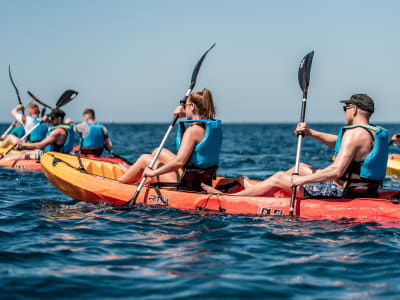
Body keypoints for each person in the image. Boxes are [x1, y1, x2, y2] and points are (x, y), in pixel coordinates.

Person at [202, 94, 388, 198]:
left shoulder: (353, 133)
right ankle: (254, 189)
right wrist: (311, 133)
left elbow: (336, 171)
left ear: (353, 109)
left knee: (279, 177)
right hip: (364, 188)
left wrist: (300, 181)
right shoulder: (370, 132)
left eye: (345, 108)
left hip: (340, 191)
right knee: (299, 167)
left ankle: (229, 198)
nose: (345, 113)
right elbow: (340, 145)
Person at [119, 88, 222, 191]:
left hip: (185, 184)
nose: (183, 109)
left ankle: (118, 184)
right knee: (158, 151)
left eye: (185, 106)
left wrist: (153, 173)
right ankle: (133, 172)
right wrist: (184, 113)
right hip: (199, 179)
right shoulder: (210, 128)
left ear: (192, 107)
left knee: (144, 159)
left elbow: (179, 162)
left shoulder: (192, 131)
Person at [1, 109, 74, 162]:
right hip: (51, 154)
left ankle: (1, 161)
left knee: (22, 155)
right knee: (23, 152)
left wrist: (23, 144)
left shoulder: (58, 131)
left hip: (52, 157)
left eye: (52, 118)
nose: (50, 120)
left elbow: (40, 145)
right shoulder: (63, 128)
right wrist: (45, 120)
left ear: (59, 118)